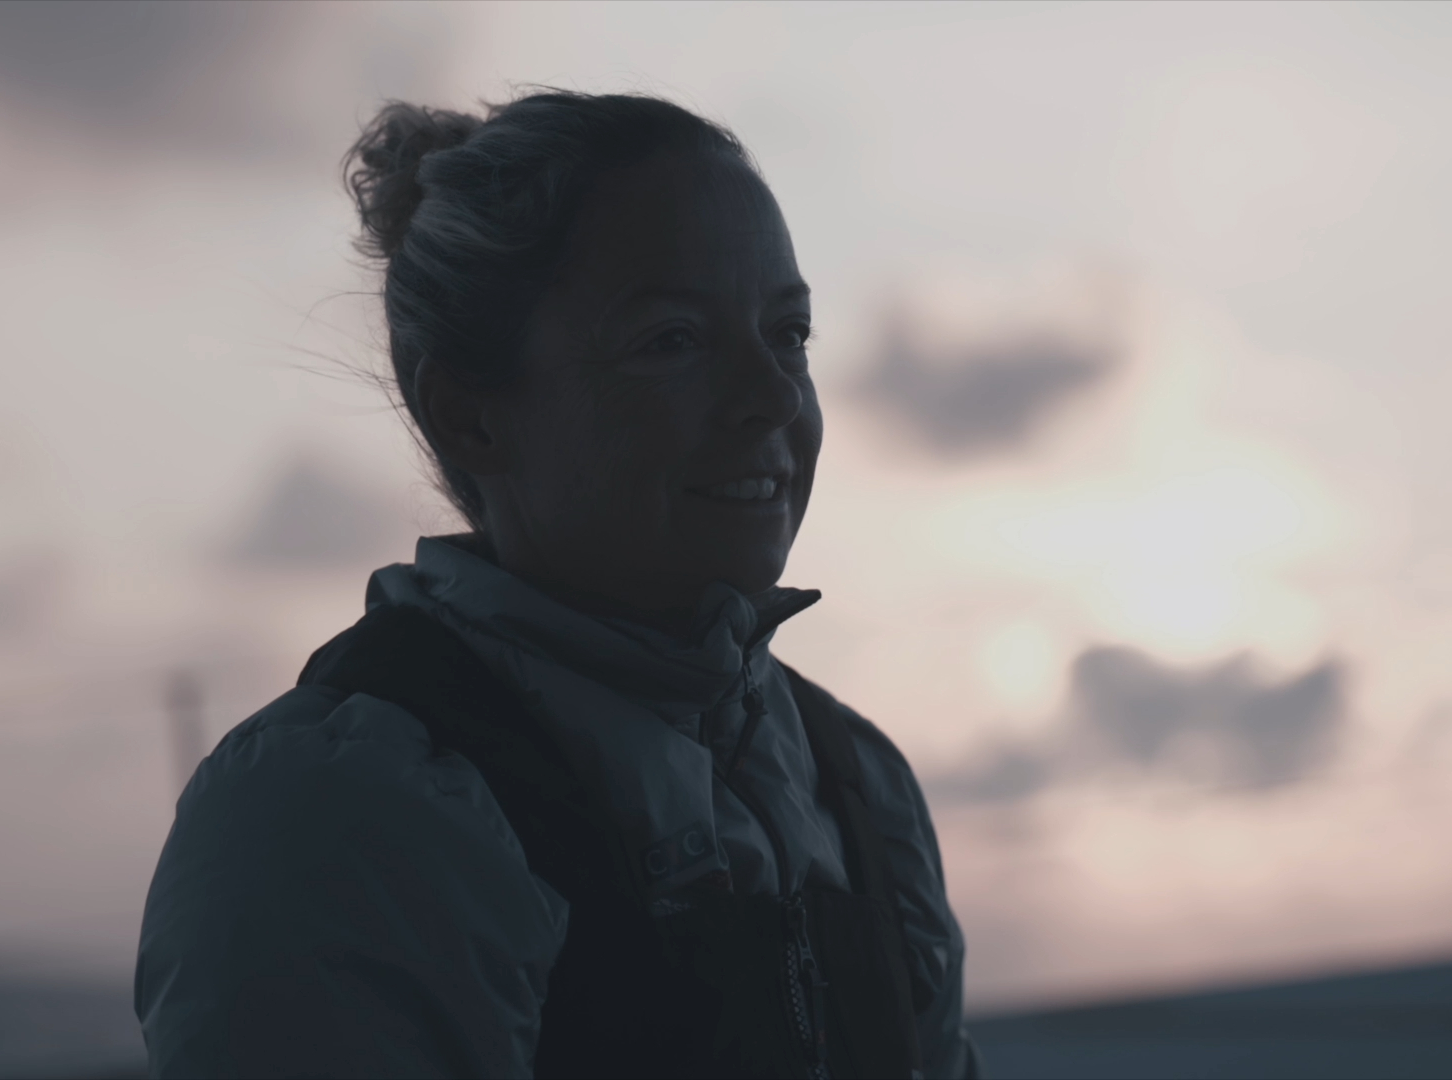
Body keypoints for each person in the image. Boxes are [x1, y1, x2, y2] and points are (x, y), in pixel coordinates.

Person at [134, 90, 981, 1080]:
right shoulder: (341, 818)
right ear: (470, 416)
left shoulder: (856, 785)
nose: (772, 395)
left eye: (787, 333)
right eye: (672, 339)